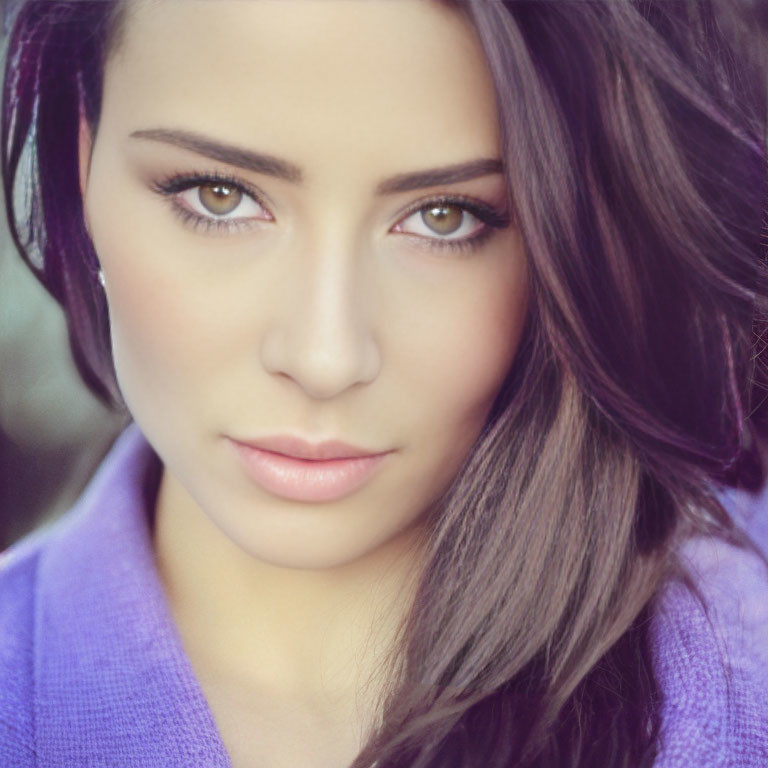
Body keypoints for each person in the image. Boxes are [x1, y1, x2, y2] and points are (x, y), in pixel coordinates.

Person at [1, 0, 767, 766]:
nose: (325, 358)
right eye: (220, 195)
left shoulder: (736, 694)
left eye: (443, 217)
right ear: (82, 159)